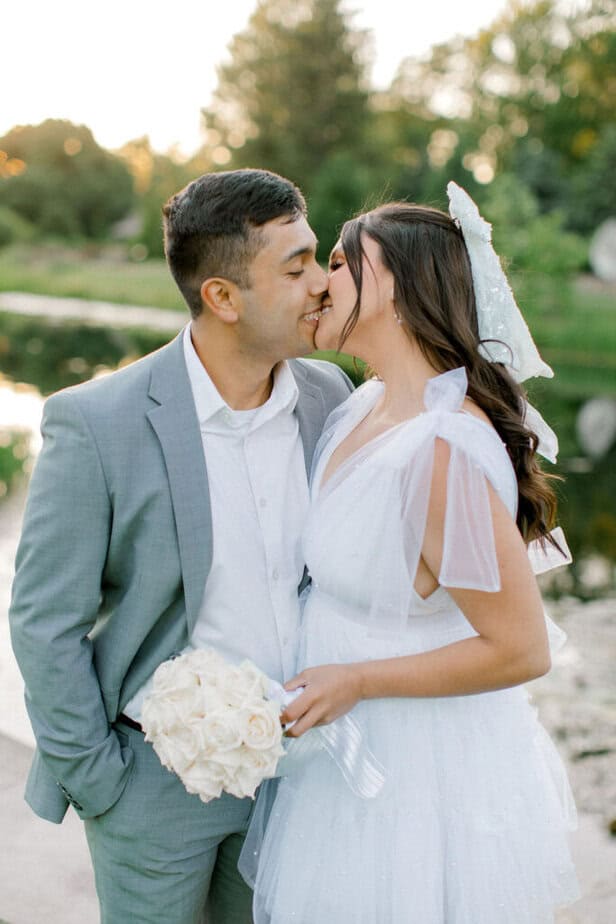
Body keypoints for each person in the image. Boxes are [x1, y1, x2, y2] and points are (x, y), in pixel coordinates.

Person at [9, 168, 352, 924]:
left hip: (297, 780)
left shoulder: (332, 398)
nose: (321, 284)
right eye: (293, 269)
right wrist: (103, 782)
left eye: (316, 258)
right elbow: (43, 620)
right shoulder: (97, 422)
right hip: (153, 781)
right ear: (223, 298)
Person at [244, 185, 580, 923]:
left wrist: (358, 678)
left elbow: (521, 649)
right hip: (338, 757)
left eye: (337, 260)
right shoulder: (361, 406)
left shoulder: (440, 451)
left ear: (392, 284)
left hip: (411, 775)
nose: (318, 281)